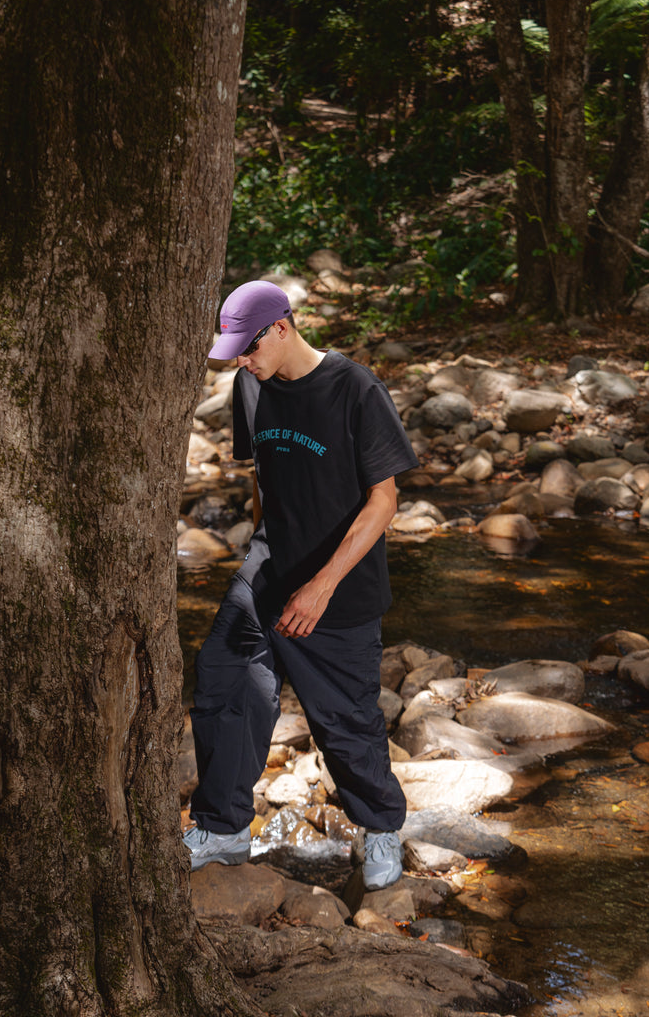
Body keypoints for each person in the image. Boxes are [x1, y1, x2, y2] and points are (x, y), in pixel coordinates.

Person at [183, 280, 419, 890]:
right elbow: (264, 477)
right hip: (267, 570)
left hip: (340, 587)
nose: (240, 358)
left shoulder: (356, 389)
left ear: (282, 328)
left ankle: (380, 828)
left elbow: (384, 501)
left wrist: (319, 586)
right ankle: (224, 829)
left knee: (344, 722)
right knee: (224, 681)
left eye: (247, 346)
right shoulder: (249, 387)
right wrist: (263, 552)